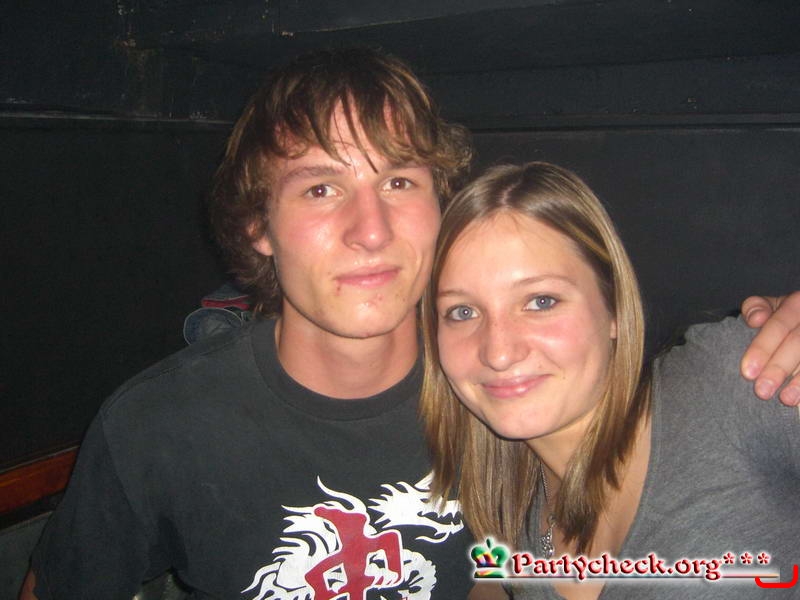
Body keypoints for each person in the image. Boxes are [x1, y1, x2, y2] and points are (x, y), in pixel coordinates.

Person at [18, 48, 799, 600]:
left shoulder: (502, 390)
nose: (371, 230)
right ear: (259, 228)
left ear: (440, 208)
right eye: (321, 188)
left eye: (398, 181)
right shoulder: (156, 427)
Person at [420, 162, 800, 599]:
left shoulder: (736, 379)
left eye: (541, 301)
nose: (499, 352)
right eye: (463, 312)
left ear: (614, 309)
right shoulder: (510, 520)